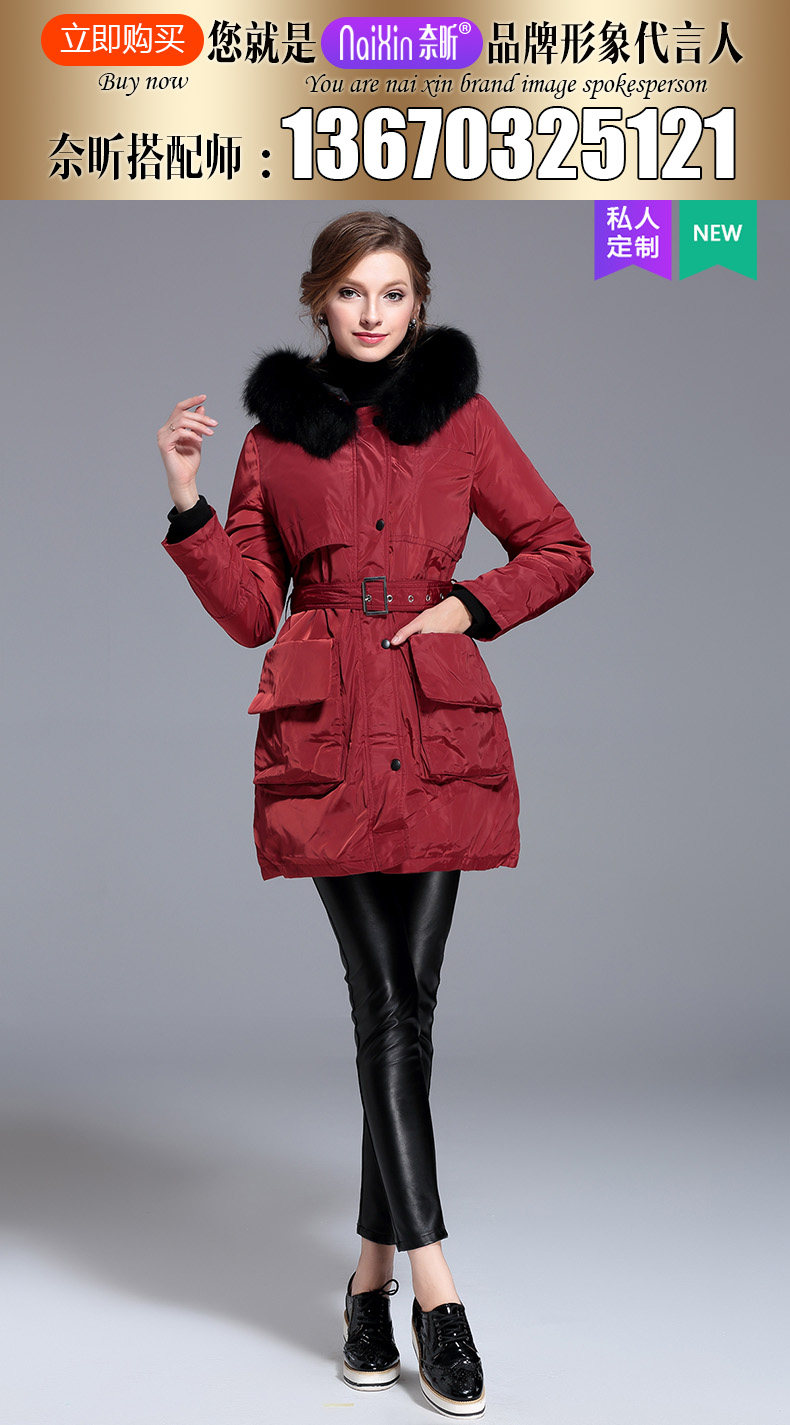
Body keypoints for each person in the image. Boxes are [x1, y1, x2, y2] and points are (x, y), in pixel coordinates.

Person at [157, 210, 593, 1417]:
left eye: (391, 292)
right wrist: (188, 501)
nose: (370, 312)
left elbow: (559, 547)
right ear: (319, 301)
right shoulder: (271, 444)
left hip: (436, 736)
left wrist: (468, 606)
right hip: (332, 743)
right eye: (351, 291)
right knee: (387, 1006)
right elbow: (252, 612)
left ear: (418, 303)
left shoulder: (463, 420)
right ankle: (438, 1293)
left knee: (402, 1015)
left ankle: (366, 1283)